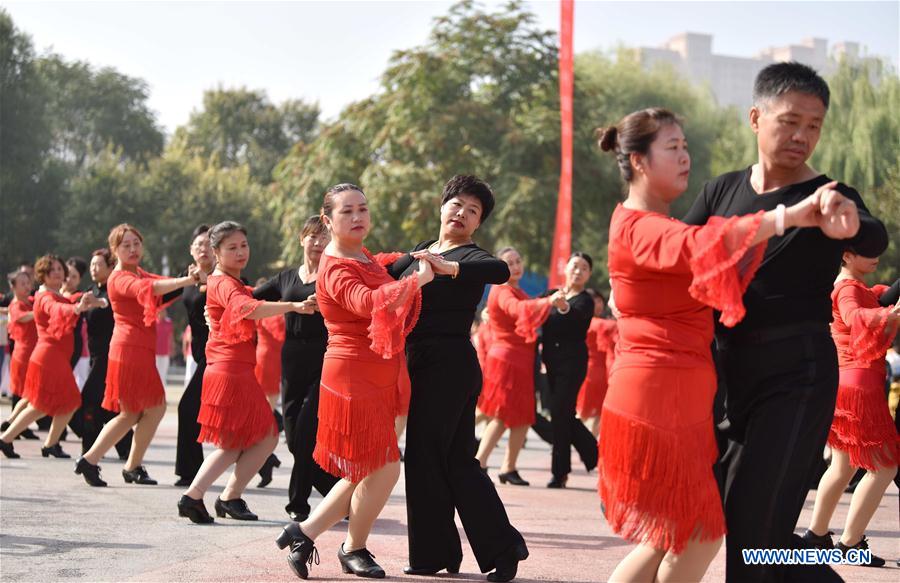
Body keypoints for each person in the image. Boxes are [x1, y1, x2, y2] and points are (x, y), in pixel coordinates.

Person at [596, 106, 839, 582]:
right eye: (672, 148)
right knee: (698, 531)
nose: (686, 156)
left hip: (675, 396)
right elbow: (707, 244)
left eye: (686, 146)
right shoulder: (640, 227)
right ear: (640, 161)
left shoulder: (647, 224)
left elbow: (703, 250)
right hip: (658, 398)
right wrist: (789, 216)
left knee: (678, 534)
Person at [682, 62, 888, 582]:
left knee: (755, 532)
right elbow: (679, 255)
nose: (803, 135)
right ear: (756, 117)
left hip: (796, 374)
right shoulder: (721, 192)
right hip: (725, 376)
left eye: (814, 125)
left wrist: (852, 223)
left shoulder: (828, 195)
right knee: (751, 531)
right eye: (790, 120)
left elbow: (870, 238)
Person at [275, 183, 432, 579]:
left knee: (367, 467)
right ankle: (347, 545)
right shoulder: (335, 264)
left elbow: (378, 264)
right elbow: (368, 301)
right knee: (382, 464)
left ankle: (310, 534)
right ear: (328, 221)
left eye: (363, 208)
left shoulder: (357, 254)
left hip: (376, 369)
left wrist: (410, 258)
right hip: (351, 375)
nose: (358, 217)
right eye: (347, 212)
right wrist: (418, 280)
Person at [387, 175, 531, 582]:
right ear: (442, 206)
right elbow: (381, 274)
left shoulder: (472, 257)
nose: (462, 214)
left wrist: (448, 267)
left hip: (450, 365)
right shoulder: (417, 254)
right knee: (452, 461)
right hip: (419, 362)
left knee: (425, 456)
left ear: (478, 223)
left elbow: (499, 269)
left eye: (473, 211)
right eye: (457, 205)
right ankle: (488, 548)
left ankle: (450, 552)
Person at [177, 221, 309, 524]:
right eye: (232, 248)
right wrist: (294, 305)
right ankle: (211, 496)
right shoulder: (223, 282)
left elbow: (250, 297)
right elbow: (247, 307)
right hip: (230, 371)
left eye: (243, 246)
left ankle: (212, 497)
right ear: (216, 252)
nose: (240, 252)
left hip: (233, 369)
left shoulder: (230, 281)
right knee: (263, 436)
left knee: (242, 441)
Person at [74, 224, 204, 487]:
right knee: (149, 409)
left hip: (138, 350)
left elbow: (158, 291)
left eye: (136, 243)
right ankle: (113, 463)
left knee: (133, 412)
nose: (133, 249)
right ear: (115, 251)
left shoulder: (138, 272)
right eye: (126, 245)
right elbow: (151, 289)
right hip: (129, 350)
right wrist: (188, 280)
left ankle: (100, 462)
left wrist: (189, 276)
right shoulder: (120, 277)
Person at [802, 248, 899, 567]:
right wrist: (887, 317)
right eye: (868, 252)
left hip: (845, 381)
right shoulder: (847, 288)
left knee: (842, 467)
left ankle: (816, 536)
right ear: (846, 255)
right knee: (884, 467)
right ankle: (849, 542)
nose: (876, 258)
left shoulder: (854, 285)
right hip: (860, 386)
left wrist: (886, 306)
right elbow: (855, 316)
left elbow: (878, 298)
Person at [253, 215, 339, 519]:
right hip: (290, 358)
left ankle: (297, 504)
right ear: (302, 239)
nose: (318, 243)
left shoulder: (335, 275)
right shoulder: (286, 278)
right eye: (312, 237)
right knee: (293, 436)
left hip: (325, 359)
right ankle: (336, 494)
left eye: (324, 237)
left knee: (304, 432)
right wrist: (217, 302)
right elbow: (249, 300)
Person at [475, 246, 565, 486]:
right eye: (509, 263)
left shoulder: (517, 290)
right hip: (507, 360)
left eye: (517, 261)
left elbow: (532, 310)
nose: (515, 266)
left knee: (524, 417)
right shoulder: (503, 291)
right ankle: (480, 463)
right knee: (502, 415)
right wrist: (548, 301)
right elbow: (518, 310)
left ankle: (508, 467)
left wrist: (552, 302)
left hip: (521, 360)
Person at [1, 255, 101, 458]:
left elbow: (67, 300)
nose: (57, 272)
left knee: (49, 404)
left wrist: (90, 301)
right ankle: (23, 440)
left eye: (59, 269)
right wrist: (76, 307)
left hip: (52, 357)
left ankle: (36, 442)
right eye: (51, 270)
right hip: (49, 357)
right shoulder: (45, 296)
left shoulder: (54, 294)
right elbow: (57, 308)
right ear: (42, 275)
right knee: (56, 403)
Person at [542, 252, 596, 488]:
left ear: (589, 275)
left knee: (559, 411)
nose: (578, 271)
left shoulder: (586, 300)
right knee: (562, 415)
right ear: (566, 268)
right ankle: (595, 453)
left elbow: (576, 320)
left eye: (584, 268)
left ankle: (560, 472)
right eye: (575, 266)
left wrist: (563, 306)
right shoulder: (551, 294)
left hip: (572, 363)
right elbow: (531, 310)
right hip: (550, 362)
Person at [80, 249, 132, 458]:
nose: (93, 268)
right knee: (108, 407)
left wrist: (98, 303)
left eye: (98, 264)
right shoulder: (91, 290)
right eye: (92, 264)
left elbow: (108, 304)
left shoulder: (114, 289)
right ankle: (126, 449)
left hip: (110, 355)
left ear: (111, 267)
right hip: (95, 356)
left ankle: (89, 452)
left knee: (90, 399)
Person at [175, 224, 215, 486]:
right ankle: (266, 460)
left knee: (187, 408)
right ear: (191, 250)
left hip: (218, 353)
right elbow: (157, 292)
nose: (203, 248)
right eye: (199, 244)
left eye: (209, 244)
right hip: (198, 353)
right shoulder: (186, 277)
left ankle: (190, 472)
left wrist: (205, 280)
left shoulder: (224, 276)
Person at [0, 271, 40, 440]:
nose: (26, 286)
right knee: (27, 394)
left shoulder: (32, 302)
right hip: (23, 355)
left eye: (28, 282)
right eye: (21, 283)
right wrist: (41, 311)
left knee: (29, 395)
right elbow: (22, 318)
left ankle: (14, 424)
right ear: (13, 287)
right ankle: (14, 426)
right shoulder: (15, 305)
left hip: (35, 354)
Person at [575, 289, 617, 437]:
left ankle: (587, 444)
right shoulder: (594, 323)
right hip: (591, 372)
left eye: (599, 300)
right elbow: (612, 328)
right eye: (593, 301)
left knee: (593, 413)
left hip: (599, 373)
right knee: (586, 412)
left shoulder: (593, 322)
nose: (597, 304)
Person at [155, 308, 174, 385]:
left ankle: (162, 393)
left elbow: (171, 337)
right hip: (155, 353)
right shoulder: (154, 322)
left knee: (163, 373)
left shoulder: (169, 322)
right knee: (156, 373)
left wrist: (172, 348)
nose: (163, 312)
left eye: (164, 311)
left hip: (165, 352)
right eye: (161, 311)